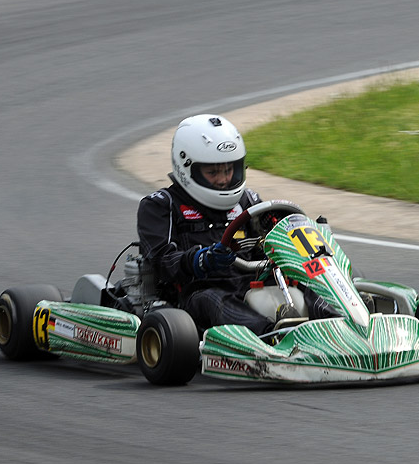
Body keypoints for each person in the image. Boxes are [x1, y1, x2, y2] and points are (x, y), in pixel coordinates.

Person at [137, 114, 335, 337]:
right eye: (213, 172)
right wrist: (201, 259)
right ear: (187, 167)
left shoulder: (248, 201)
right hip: (199, 292)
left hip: (252, 283)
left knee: (306, 286)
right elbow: (162, 262)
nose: (223, 180)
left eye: (229, 169)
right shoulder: (162, 205)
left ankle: (342, 324)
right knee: (217, 301)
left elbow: (267, 244)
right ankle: (274, 337)